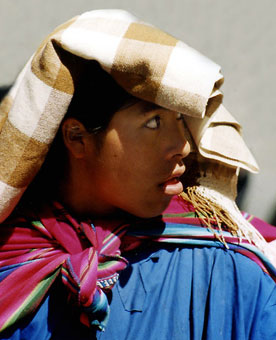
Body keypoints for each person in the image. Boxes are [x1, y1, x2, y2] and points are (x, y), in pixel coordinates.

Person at [0, 9, 275, 340]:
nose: (183, 146)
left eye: (180, 119)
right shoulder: (11, 260)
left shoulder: (229, 267)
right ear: (77, 138)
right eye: (153, 122)